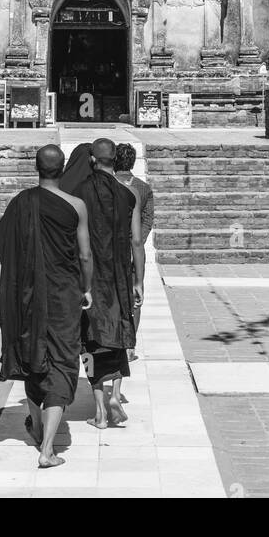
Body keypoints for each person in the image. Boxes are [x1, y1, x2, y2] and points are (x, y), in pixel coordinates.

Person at [0, 144, 93, 469]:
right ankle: (48, 449)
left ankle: (35, 425)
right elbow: (84, 255)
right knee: (64, 362)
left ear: (36, 168)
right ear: (62, 168)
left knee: (33, 354)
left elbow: (4, 245)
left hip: (28, 295)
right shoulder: (76, 205)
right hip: (65, 295)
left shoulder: (19, 204)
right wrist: (87, 288)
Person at [64, 137, 145, 430]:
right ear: (116, 160)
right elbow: (136, 241)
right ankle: (115, 395)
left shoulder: (77, 193)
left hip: (90, 278)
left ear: (92, 160)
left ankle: (99, 411)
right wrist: (138, 281)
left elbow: (73, 241)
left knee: (91, 338)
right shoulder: (129, 194)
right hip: (120, 275)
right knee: (120, 331)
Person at [113, 142, 155, 361]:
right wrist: (136, 239)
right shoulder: (142, 187)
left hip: (109, 250)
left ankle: (111, 341)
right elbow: (148, 219)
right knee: (134, 298)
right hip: (133, 250)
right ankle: (130, 346)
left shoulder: (106, 185)